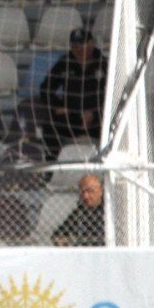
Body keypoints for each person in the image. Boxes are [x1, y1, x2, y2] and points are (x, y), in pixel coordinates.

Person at [37, 28, 108, 158]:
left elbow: (114, 95)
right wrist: (57, 106)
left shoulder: (104, 64)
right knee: (50, 126)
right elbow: (45, 88)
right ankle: (51, 169)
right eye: (75, 46)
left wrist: (95, 113)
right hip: (72, 116)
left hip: (98, 119)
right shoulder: (65, 63)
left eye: (83, 45)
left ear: (91, 43)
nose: (79, 50)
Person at [52, 173, 105, 246]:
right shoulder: (80, 212)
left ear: (101, 191)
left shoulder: (109, 211)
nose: (85, 196)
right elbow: (59, 234)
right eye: (82, 192)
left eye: (90, 191)